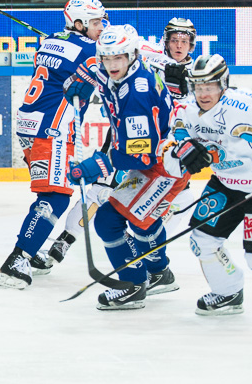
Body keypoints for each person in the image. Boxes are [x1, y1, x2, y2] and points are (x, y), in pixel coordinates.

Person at [42, 17, 200, 270]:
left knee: (180, 199)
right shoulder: (148, 57)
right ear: (165, 41)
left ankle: (151, 256)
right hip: (126, 137)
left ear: (192, 44)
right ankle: (64, 239)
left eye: (184, 41)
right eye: (174, 40)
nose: (179, 46)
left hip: (165, 146)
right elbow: (114, 52)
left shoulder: (199, 75)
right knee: (100, 188)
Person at [71, 25, 188, 310]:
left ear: (132, 55)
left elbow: (140, 157)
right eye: (107, 58)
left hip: (162, 166)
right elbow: (96, 70)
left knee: (108, 221)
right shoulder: (124, 68)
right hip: (162, 160)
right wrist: (82, 80)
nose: (112, 65)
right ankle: (160, 272)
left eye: (118, 58)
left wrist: (97, 164)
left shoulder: (137, 94)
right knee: (140, 220)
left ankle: (133, 285)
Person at [0, 0, 108, 289]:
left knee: (54, 193)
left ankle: (29, 255)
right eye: (96, 22)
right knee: (54, 197)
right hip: (53, 130)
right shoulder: (90, 50)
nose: (102, 28)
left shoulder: (48, 43)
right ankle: (17, 260)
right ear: (80, 23)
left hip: (30, 125)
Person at [163, 55, 252, 315]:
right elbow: (179, 130)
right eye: (198, 87)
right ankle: (228, 292)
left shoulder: (247, 108)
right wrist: (185, 149)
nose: (203, 94)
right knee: (202, 240)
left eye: (209, 87)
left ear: (223, 84)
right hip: (226, 183)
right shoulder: (186, 107)